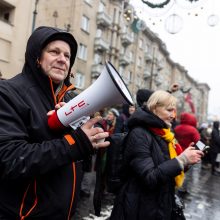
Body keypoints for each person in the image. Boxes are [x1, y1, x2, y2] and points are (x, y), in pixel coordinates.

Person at [0, 26, 110, 219]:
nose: (62, 59)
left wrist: (91, 133)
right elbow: (10, 159)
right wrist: (76, 142)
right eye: (54, 52)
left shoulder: (68, 99)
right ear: (37, 56)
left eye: (67, 56)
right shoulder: (8, 93)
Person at [110, 90, 204, 220]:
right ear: (154, 108)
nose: (173, 116)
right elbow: (150, 177)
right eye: (169, 110)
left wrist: (186, 161)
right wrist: (180, 160)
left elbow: (166, 169)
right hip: (140, 207)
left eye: (175, 111)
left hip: (159, 204)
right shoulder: (139, 134)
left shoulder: (162, 133)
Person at [174, 112, 201, 195]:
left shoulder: (176, 128)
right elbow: (198, 142)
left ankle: (177, 187)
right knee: (188, 173)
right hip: (189, 154)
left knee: (177, 170)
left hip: (177, 153)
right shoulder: (193, 130)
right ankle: (183, 188)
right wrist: (203, 150)